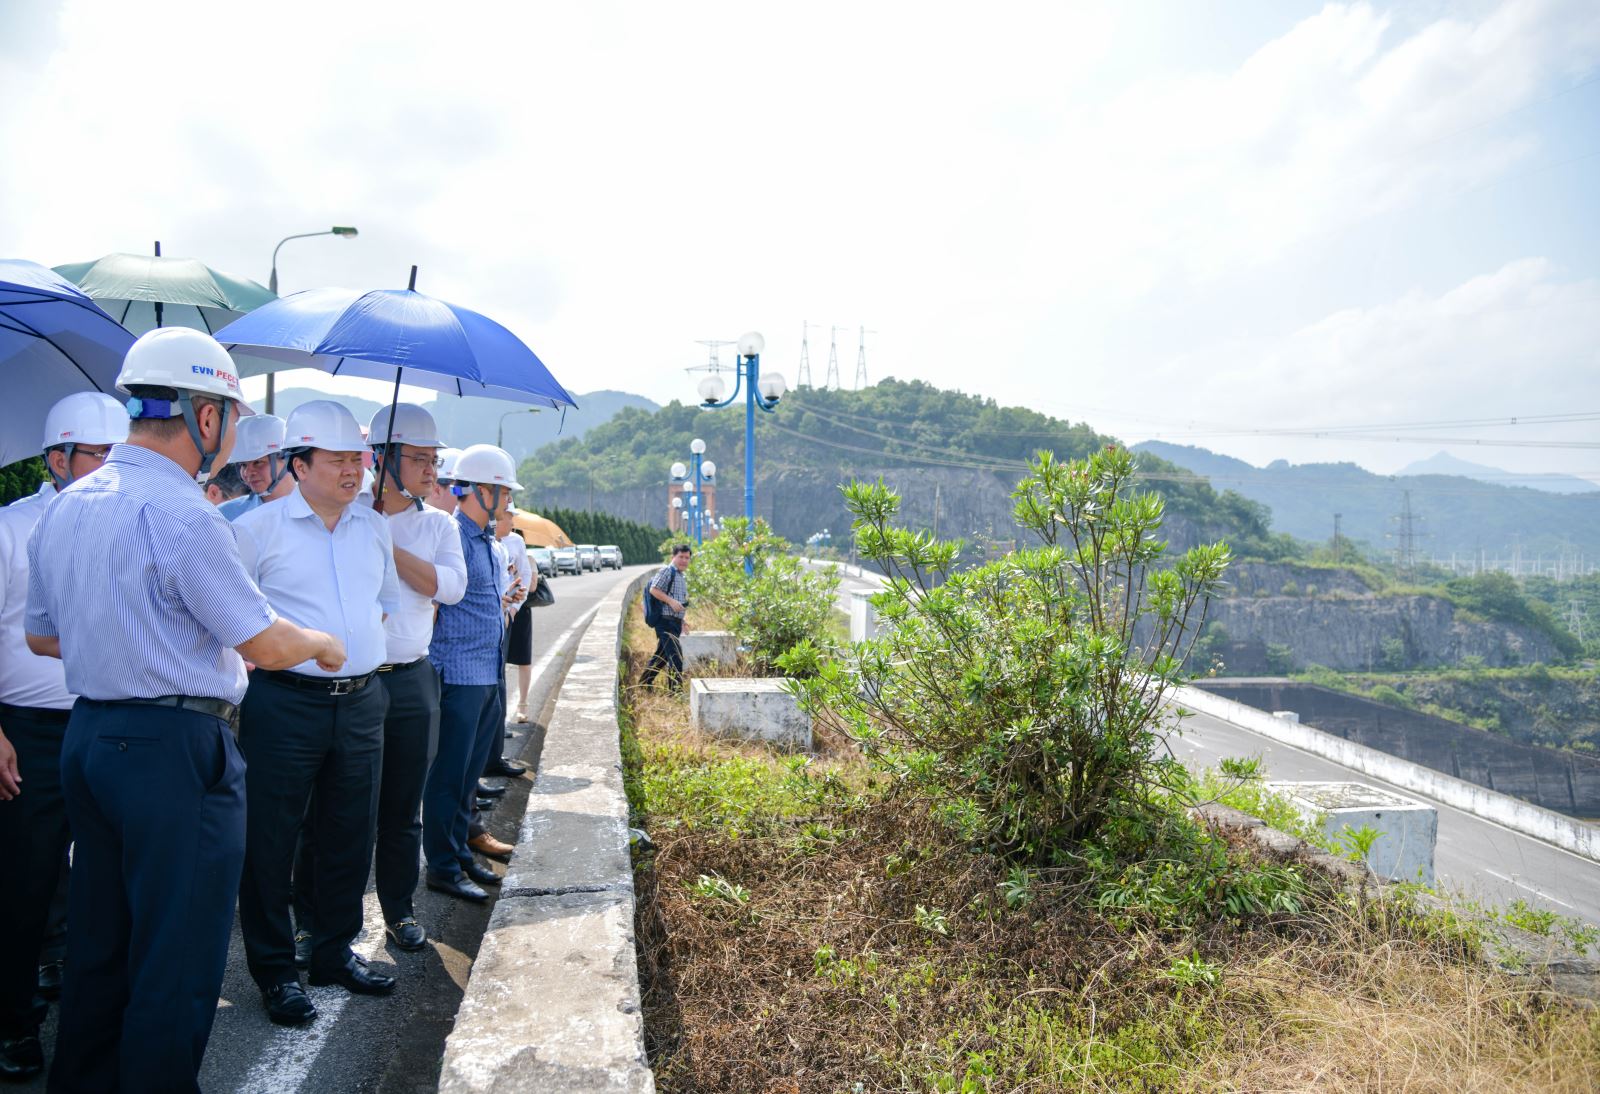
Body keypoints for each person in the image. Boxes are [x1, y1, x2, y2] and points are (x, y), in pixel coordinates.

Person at [24, 327, 345, 1092]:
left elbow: (42, 636)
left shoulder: (68, 506)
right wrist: (324, 643)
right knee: (177, 954)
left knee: (101, 946)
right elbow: (263, 644)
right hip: (174, 746)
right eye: (230, 415)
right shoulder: (184, 514)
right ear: (206, 417)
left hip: (90, 738)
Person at [232, 400, 400, 1026]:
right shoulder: (257, 531)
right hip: (283, 704)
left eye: (356, 459)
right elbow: (233, 620)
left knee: (348, 835)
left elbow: (381, 602)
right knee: (269, 841)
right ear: (298, 465)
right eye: (336, 461)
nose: (353, 472)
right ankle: (276, 972)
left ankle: (332, 951)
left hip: (360, 701)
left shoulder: (373, 527)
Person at [0, 392, 127, 1082]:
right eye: (97, 455)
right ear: (57, 458)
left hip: (114, 723)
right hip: (31, 733)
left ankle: (92, 1024)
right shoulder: (11, 530)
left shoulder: (131, 525)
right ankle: (15, 1024)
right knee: (24, 884)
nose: (111, 469)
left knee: (107, 884)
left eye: (119, 455)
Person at [364, 403, 465, 950]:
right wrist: (369, 525)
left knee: (403, 811)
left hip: (410, 679)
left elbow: (448, 587)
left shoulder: (437, 524)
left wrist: (388, 543)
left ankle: (398, 911)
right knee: (338, 808)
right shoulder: (347, 513)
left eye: (434, 459)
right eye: (419, 459)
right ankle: (318, 923)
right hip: (353, 682)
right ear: (382, 459)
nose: (431, 470)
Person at [422, 444, 522, 902]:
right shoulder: (453, 536)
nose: (507, 501)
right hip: (458, 675)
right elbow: (435, 601)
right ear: (481, 491)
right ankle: (442, 866)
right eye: (502, 492)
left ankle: (461, 852)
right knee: (448, 777)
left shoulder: (488, 541)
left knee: (467, 780)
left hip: (486, 672)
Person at [490, 515, 531, 767]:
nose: (511, 520)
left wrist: (512, 611)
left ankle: (495, 748)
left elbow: (523, 577)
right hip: (487, 621)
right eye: (507, 514)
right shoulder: (481, 541)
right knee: (488, 684)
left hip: (506, 617)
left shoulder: (514, 542)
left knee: (500, 680)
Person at [218, 413, 292, 521]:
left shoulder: (320, 511)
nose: (248, 473)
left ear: (287, 458)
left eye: (258, 462)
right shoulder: (226, 515)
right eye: (243, 465)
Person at [641, 543, 693, 689]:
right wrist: (670, 601)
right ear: (673, 557)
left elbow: (678, 603)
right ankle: (675, 692)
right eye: (680, 557)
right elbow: (654, 589)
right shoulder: (667, 571)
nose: (684, 560)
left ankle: (644, 683)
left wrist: (682, 620)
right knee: (676, 657)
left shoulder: (680, 576)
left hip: (674, 622)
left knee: (662, 656)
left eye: (687, 557)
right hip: (665, 622)